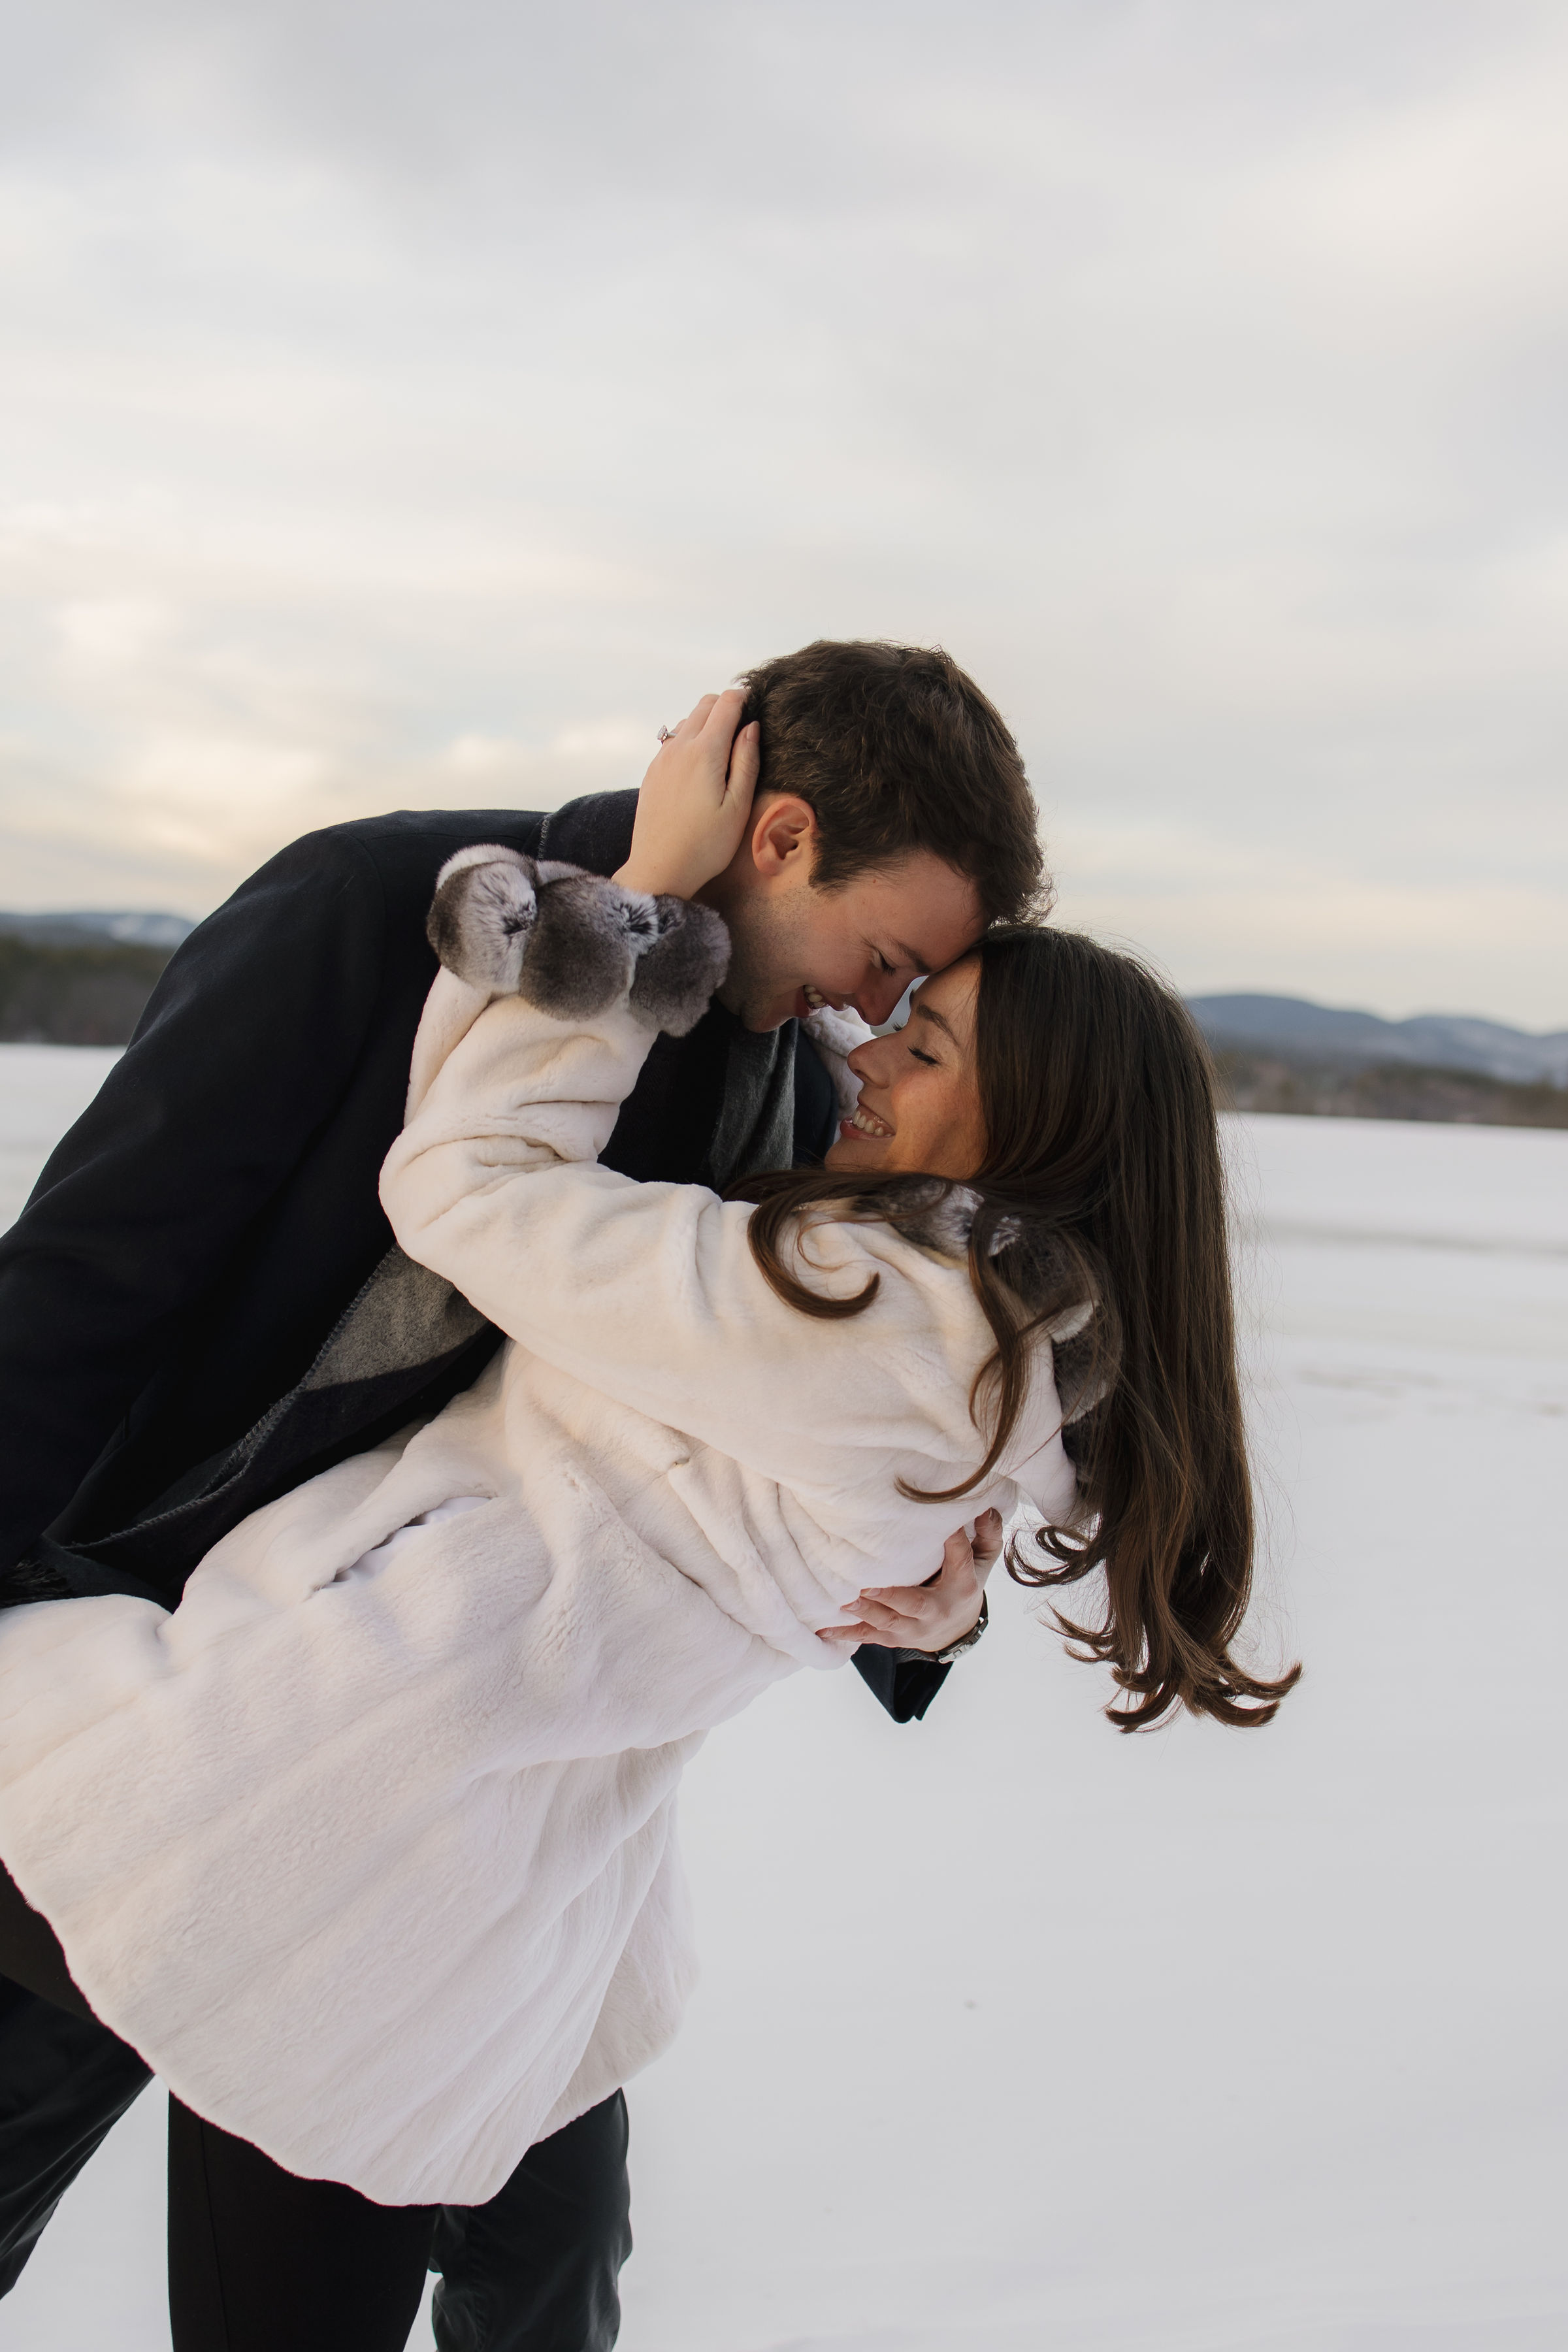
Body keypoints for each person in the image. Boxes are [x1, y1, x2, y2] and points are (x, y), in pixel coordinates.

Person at [0, 694, 1297, 2349]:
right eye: (891, 957)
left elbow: (799, 1431)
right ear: (780, 842)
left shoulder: (783, 1079)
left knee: (534, 2265)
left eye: (922, 1009)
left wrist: (928, 1592)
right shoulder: (367, 903)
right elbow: (86, 1285)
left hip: (477, 1818)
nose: (875, 1018)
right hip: (178, 1678)